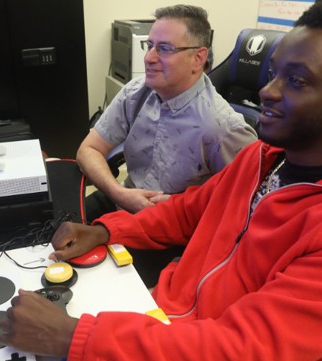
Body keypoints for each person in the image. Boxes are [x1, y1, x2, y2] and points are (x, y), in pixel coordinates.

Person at [0, 1, 322, 361]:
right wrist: (107, 230)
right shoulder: (261, 158)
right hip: (173, 321)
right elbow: (185, 213)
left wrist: (72, 337)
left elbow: (243, 352)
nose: (268, 92)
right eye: (273, 73)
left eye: (295, 81)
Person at [80, 4, 257, 223]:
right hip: (124, 198)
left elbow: (244, 202)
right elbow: (88, 149)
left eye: (164, 49)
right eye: (150, 45)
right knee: (53, 230)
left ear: (198, 58)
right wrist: (120, 193)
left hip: (171, 224)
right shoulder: (136, 92)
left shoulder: (223, 127)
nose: (149, 58)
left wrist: (177, 206)